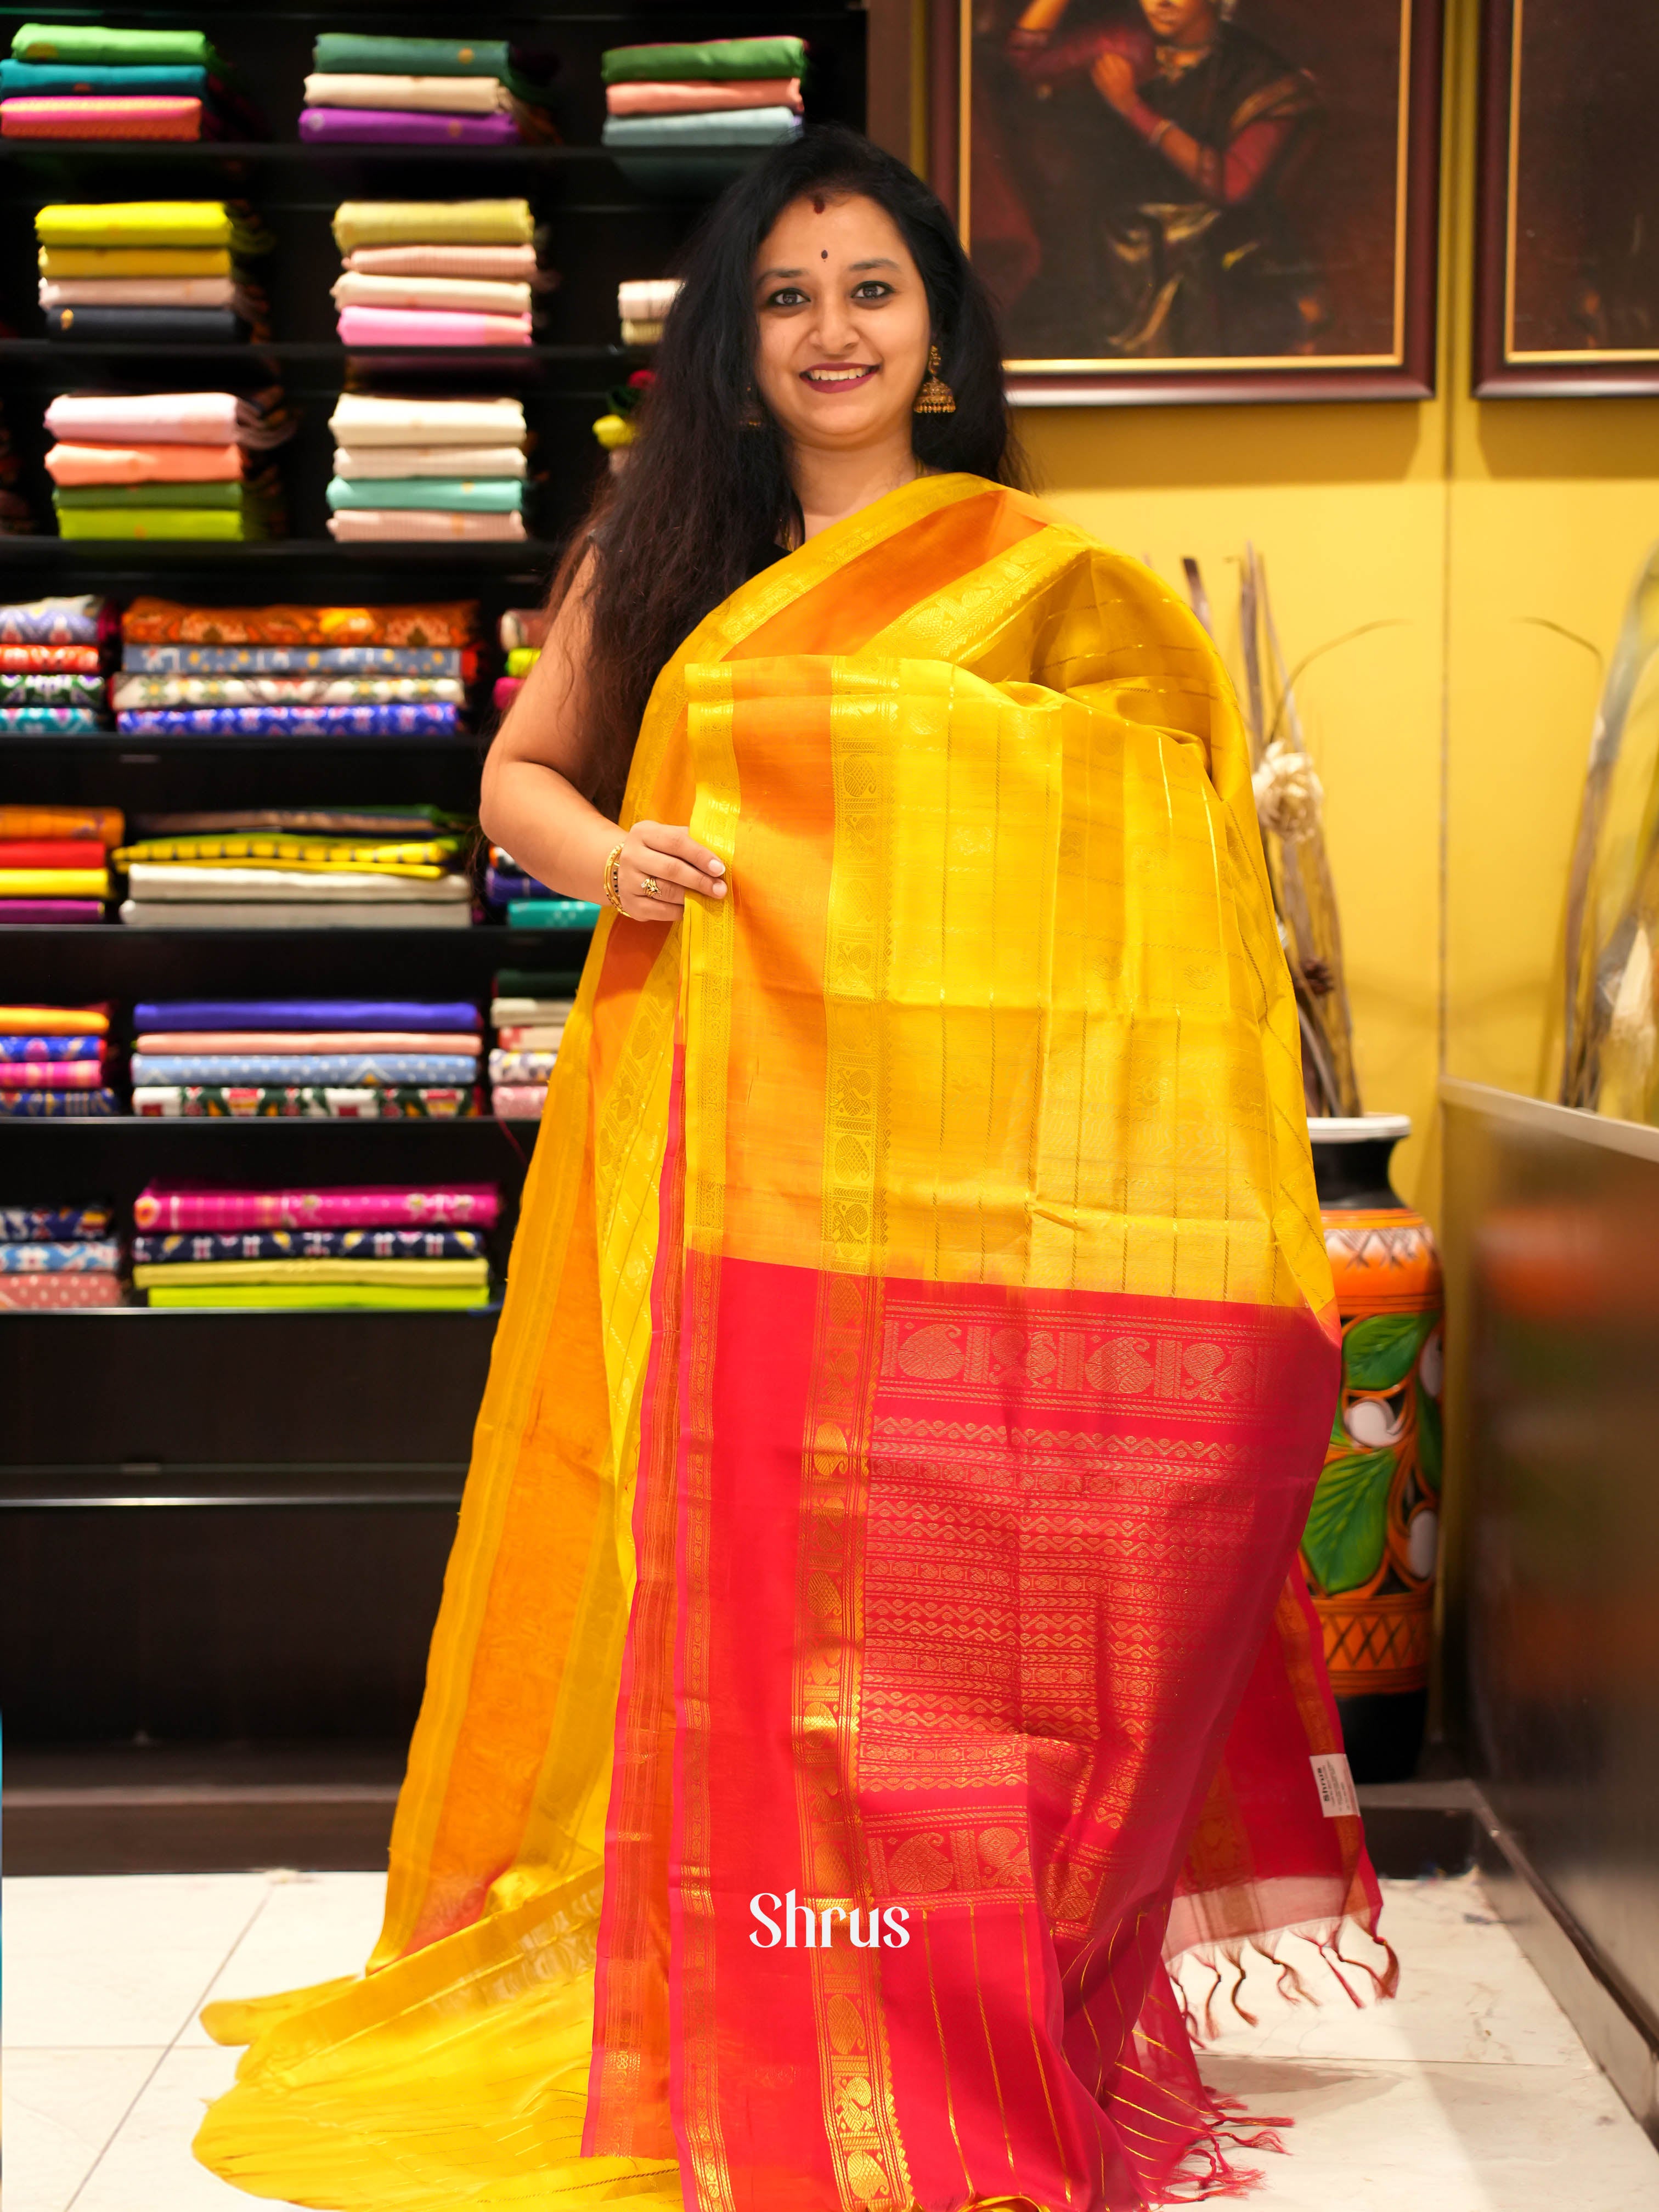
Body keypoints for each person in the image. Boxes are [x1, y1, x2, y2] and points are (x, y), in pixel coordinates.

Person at [194, 125, 1390, 2212]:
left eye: (867, 290)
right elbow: (513, 780)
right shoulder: (655, 555)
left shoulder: (1025, 579)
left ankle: (938, 1964)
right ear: (730, 349)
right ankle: (736, 1949)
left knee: (931, 1590)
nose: (827, 330)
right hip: (712, 1149)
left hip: (945, 1171)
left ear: (936, 329)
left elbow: (1145, 832)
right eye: (782, 298)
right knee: (724, 1560)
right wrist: (614, 856)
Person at [993, 0, 1323, 359]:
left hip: (1218, 258)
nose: (1160, 3)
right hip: (1120, 255)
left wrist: (1133, 109)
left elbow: (1230, 183)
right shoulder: (1125, 42)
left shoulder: (1262, 76)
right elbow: (1022, 59)